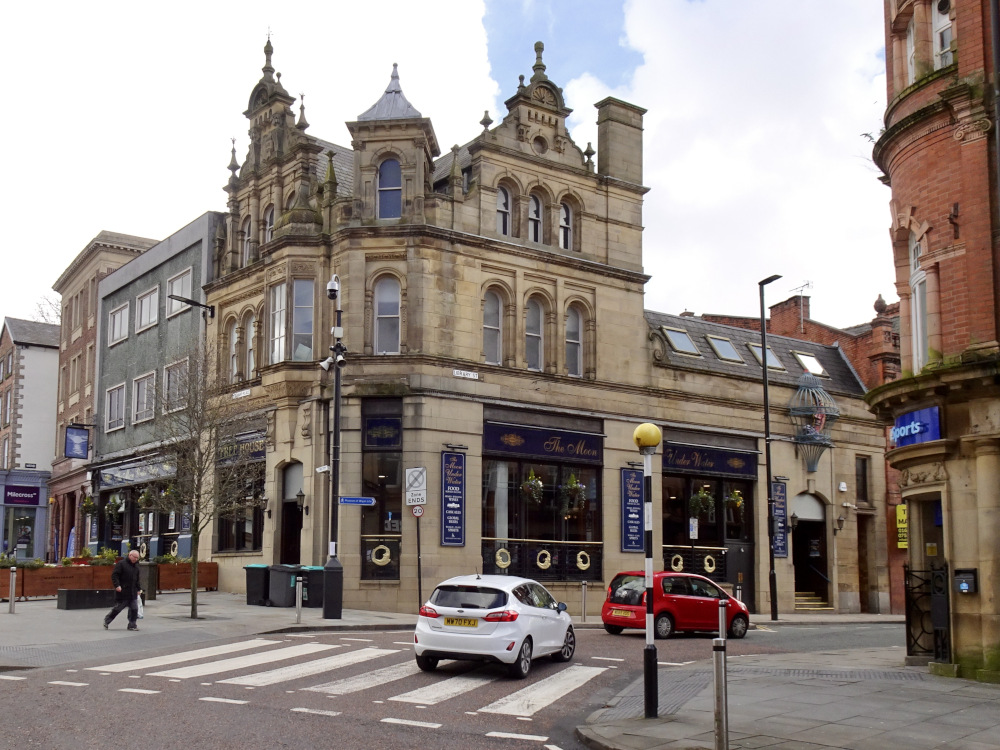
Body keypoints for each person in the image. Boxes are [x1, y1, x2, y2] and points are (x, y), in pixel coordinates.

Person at [103, 549, 143, 631]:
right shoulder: (121, 564)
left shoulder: (136, 567)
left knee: (134, 609)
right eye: (134, 557)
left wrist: (138, 589)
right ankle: (107, 620)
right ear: (130, 555)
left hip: (133, 592)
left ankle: (132, 625)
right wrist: (117, 585)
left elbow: (136, 579)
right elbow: (115, 575)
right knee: (118, 609)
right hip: (123, 591)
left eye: (137, 558)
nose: (135, 559)